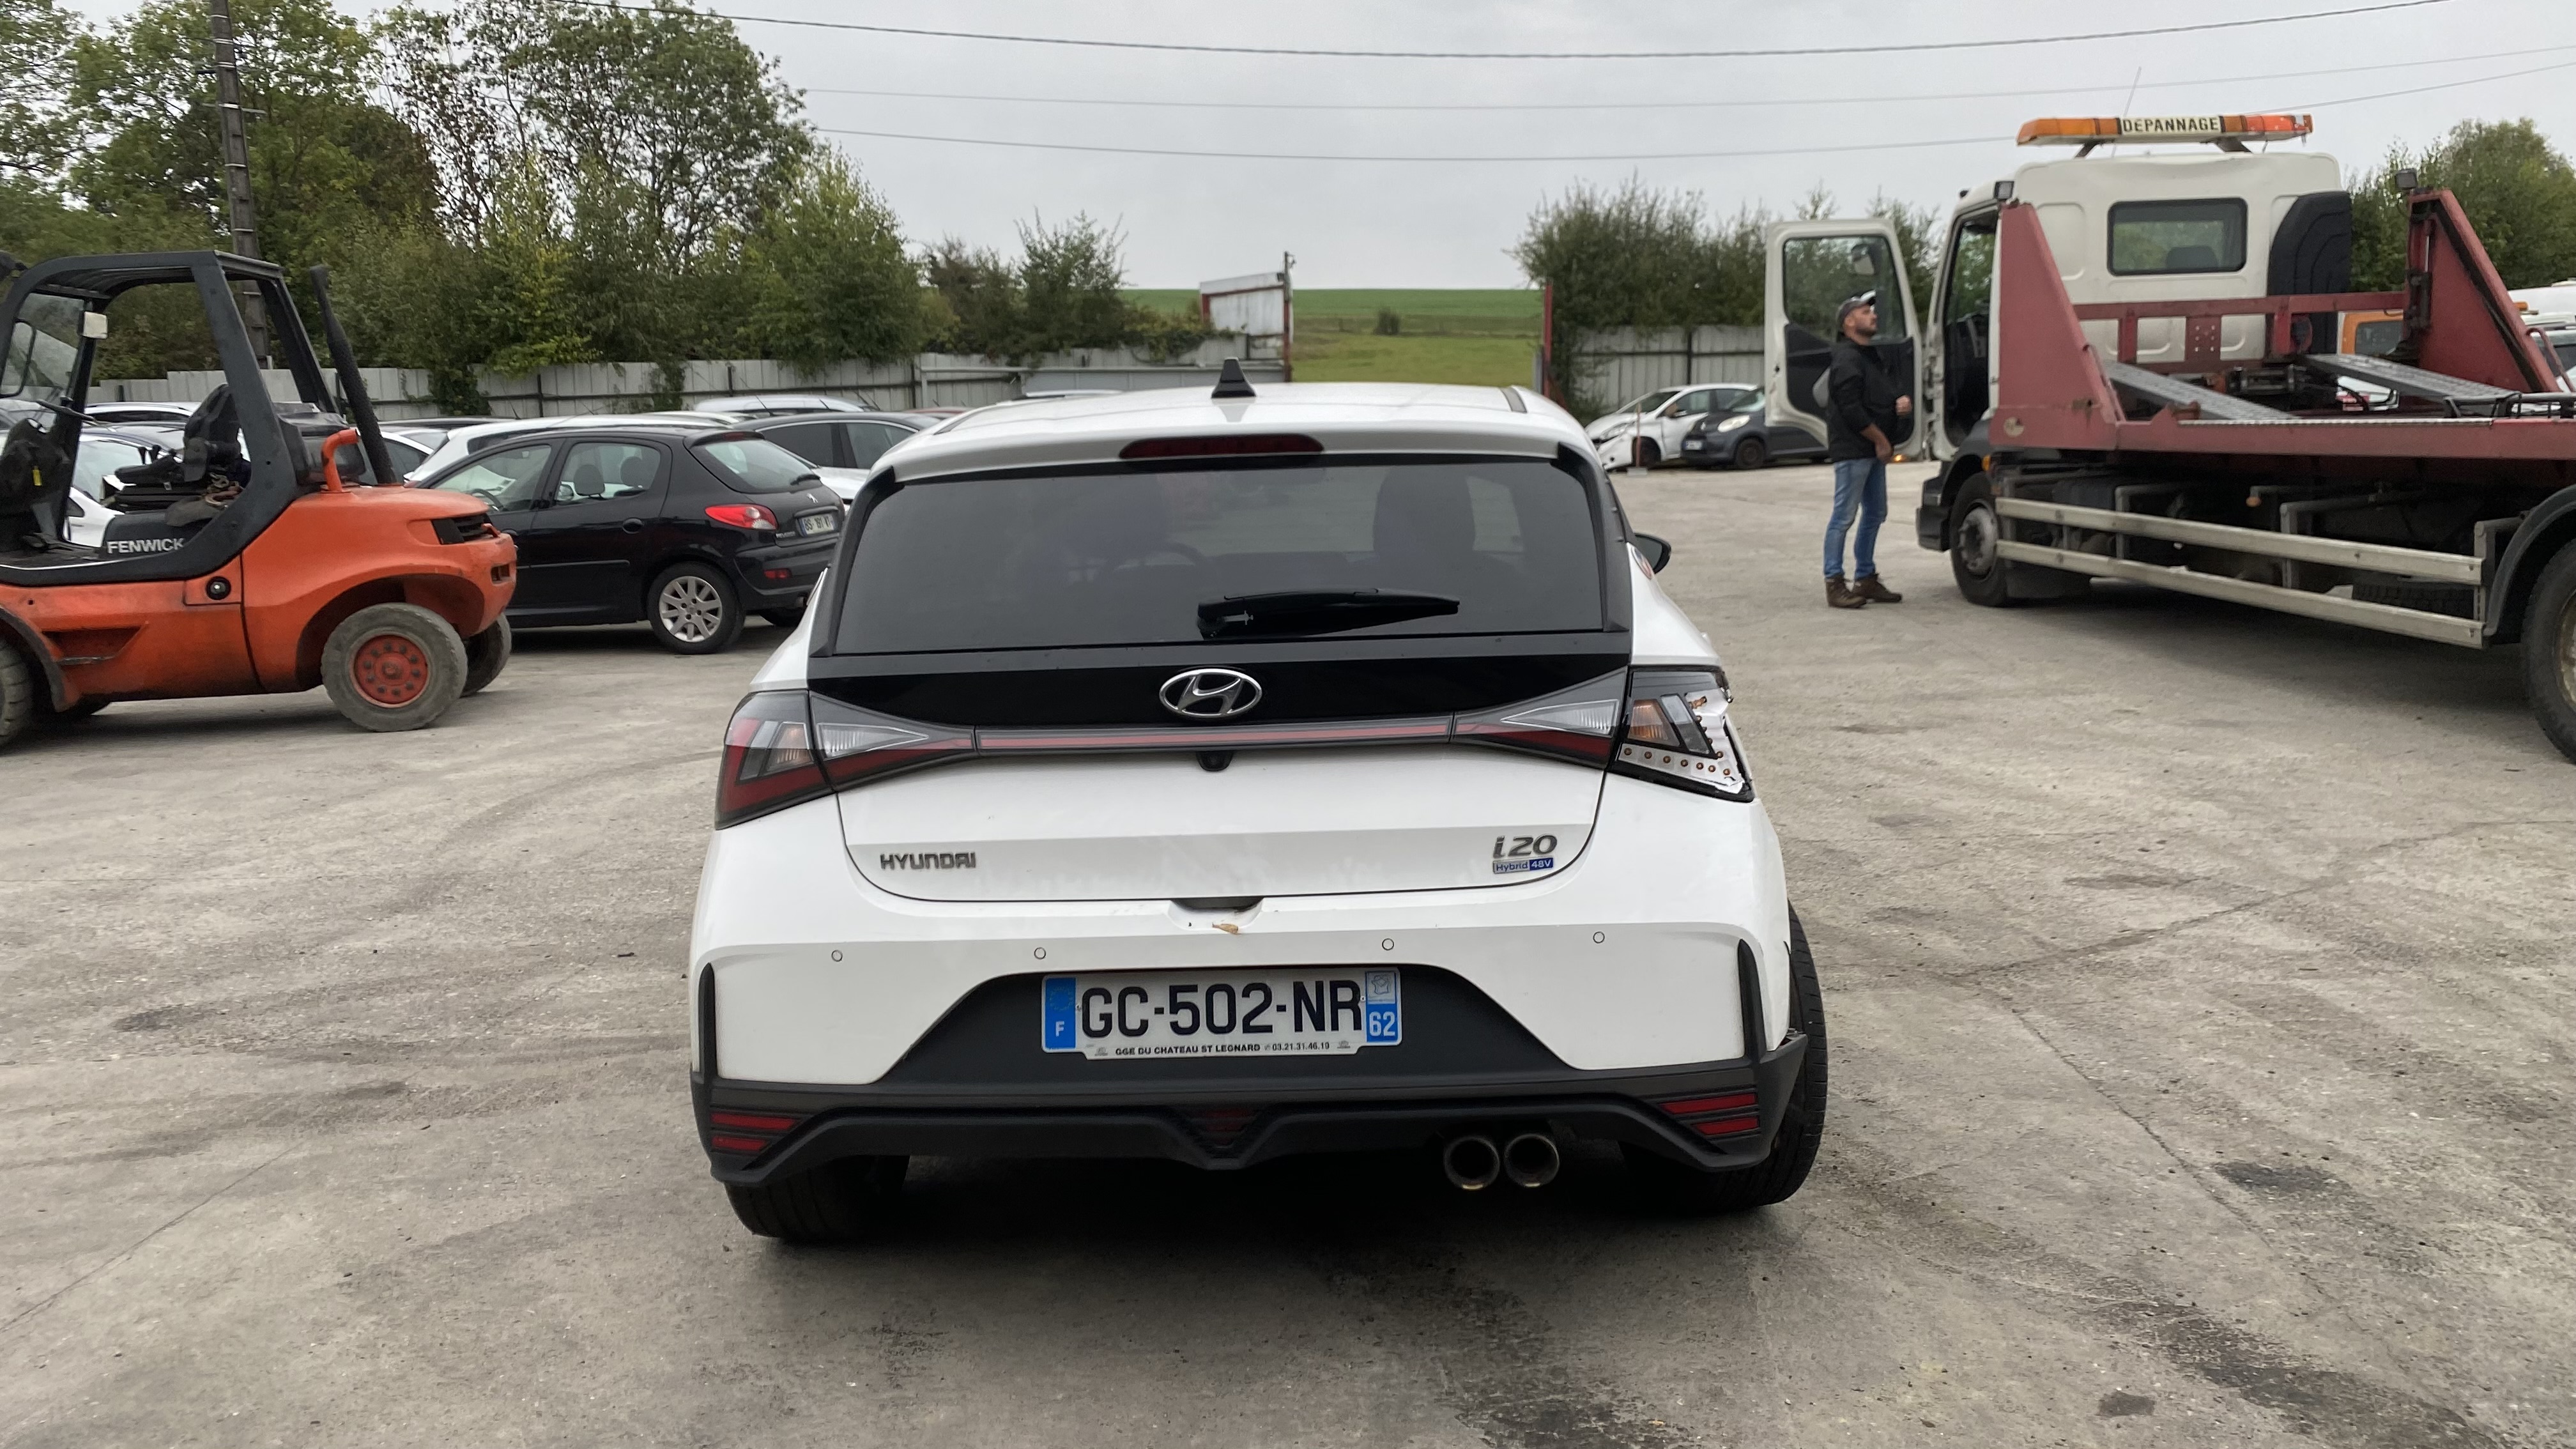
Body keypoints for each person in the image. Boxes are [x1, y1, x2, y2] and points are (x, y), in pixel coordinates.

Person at [1821, 291, 1909, 610]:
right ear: (1848, 322)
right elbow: (1851, 408)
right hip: (1855, 450)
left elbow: (1875, 398)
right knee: (1843, 516)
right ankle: (1834, 583)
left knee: (1875, 513)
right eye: (1864, 311)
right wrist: (1880, 440)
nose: (1873, 315)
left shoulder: (1870, 357)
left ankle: (1866, 578)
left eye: (1872, 311)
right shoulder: (1847, 358)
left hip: (1871, 451)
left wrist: (1898, 404)